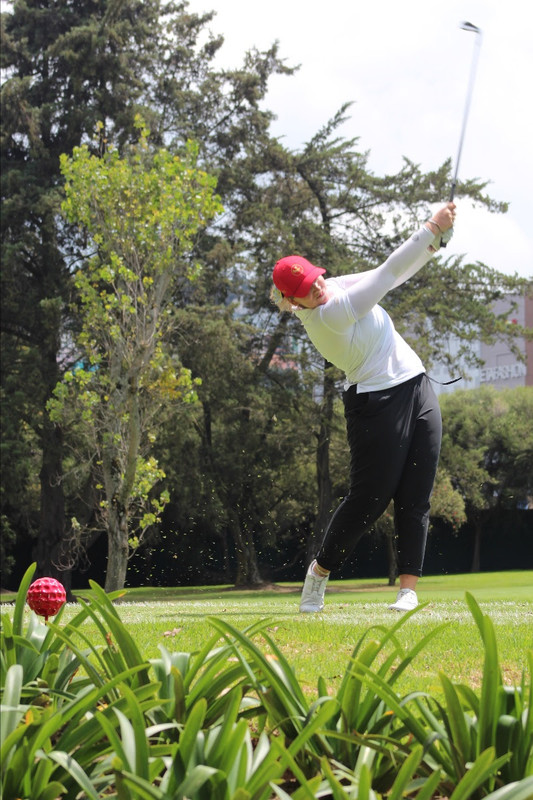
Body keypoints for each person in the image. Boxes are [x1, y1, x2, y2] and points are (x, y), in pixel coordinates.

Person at [271, 202, 456, 612]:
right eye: (307, 289)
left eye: (316, 278)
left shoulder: (332, 288)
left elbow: (393, 274)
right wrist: (428, 229)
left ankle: (408, 590)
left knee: (416, 495)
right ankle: (319, 573)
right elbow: (388, 274)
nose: (317, 287)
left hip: (417, 384)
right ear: (293, 301)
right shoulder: (329, 315)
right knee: (369, 500)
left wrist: (433, 244)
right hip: (375, 402)